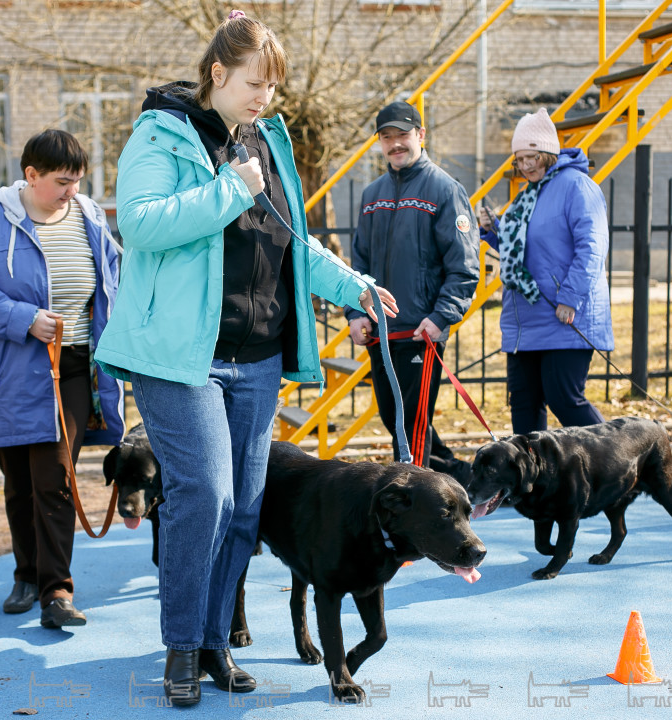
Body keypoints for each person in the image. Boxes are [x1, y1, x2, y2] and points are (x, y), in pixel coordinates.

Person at [91, 11, 397, 708]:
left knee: (244, 510)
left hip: (257, 357)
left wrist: (353, 287)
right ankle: (180, 646)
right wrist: (231, 189)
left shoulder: (265, 142)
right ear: (217, 73)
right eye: (254, 83)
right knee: (207, 494)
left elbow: (294, 242)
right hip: (181, 358)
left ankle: (213, 643)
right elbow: (139, 223)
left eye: (273, 86)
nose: (264, 97)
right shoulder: (161, 134)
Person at [0, 129, 124, 629]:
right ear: (31, 175)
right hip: (10, 368)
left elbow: (114, 278)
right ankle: (26, 575)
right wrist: (24, 318)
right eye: (62, 182)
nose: (72, 191)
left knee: (54, 476)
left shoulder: (90, 217)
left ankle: (56, 591)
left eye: (77, 181)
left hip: (71, 367)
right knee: (20, 482)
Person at [345, 101, 480, 469]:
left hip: (421, 333)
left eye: (402, 135)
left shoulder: (445, 190)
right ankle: (460, 478)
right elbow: (359, 263)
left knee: (412, 430)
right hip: (380, 333)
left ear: (420, 135)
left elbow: (465, 267)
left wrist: (440, 317)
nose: (395, 144)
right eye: (386, 137)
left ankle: (408, 498)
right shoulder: (372, 195)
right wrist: (355, 312)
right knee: (395, 421)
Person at [477, 108, 613, 434]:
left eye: (532, 157)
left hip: (563, 315)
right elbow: (522, 248)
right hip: (526, 319)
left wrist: (570, 298)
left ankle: (617, 457)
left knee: (564, 400)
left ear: (549, 153)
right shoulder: (528, 195)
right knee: (524, 405)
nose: (525, 166)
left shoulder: (577, 187)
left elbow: (592, 247)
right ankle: (532, 469)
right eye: (519, 159)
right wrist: (494, 231)